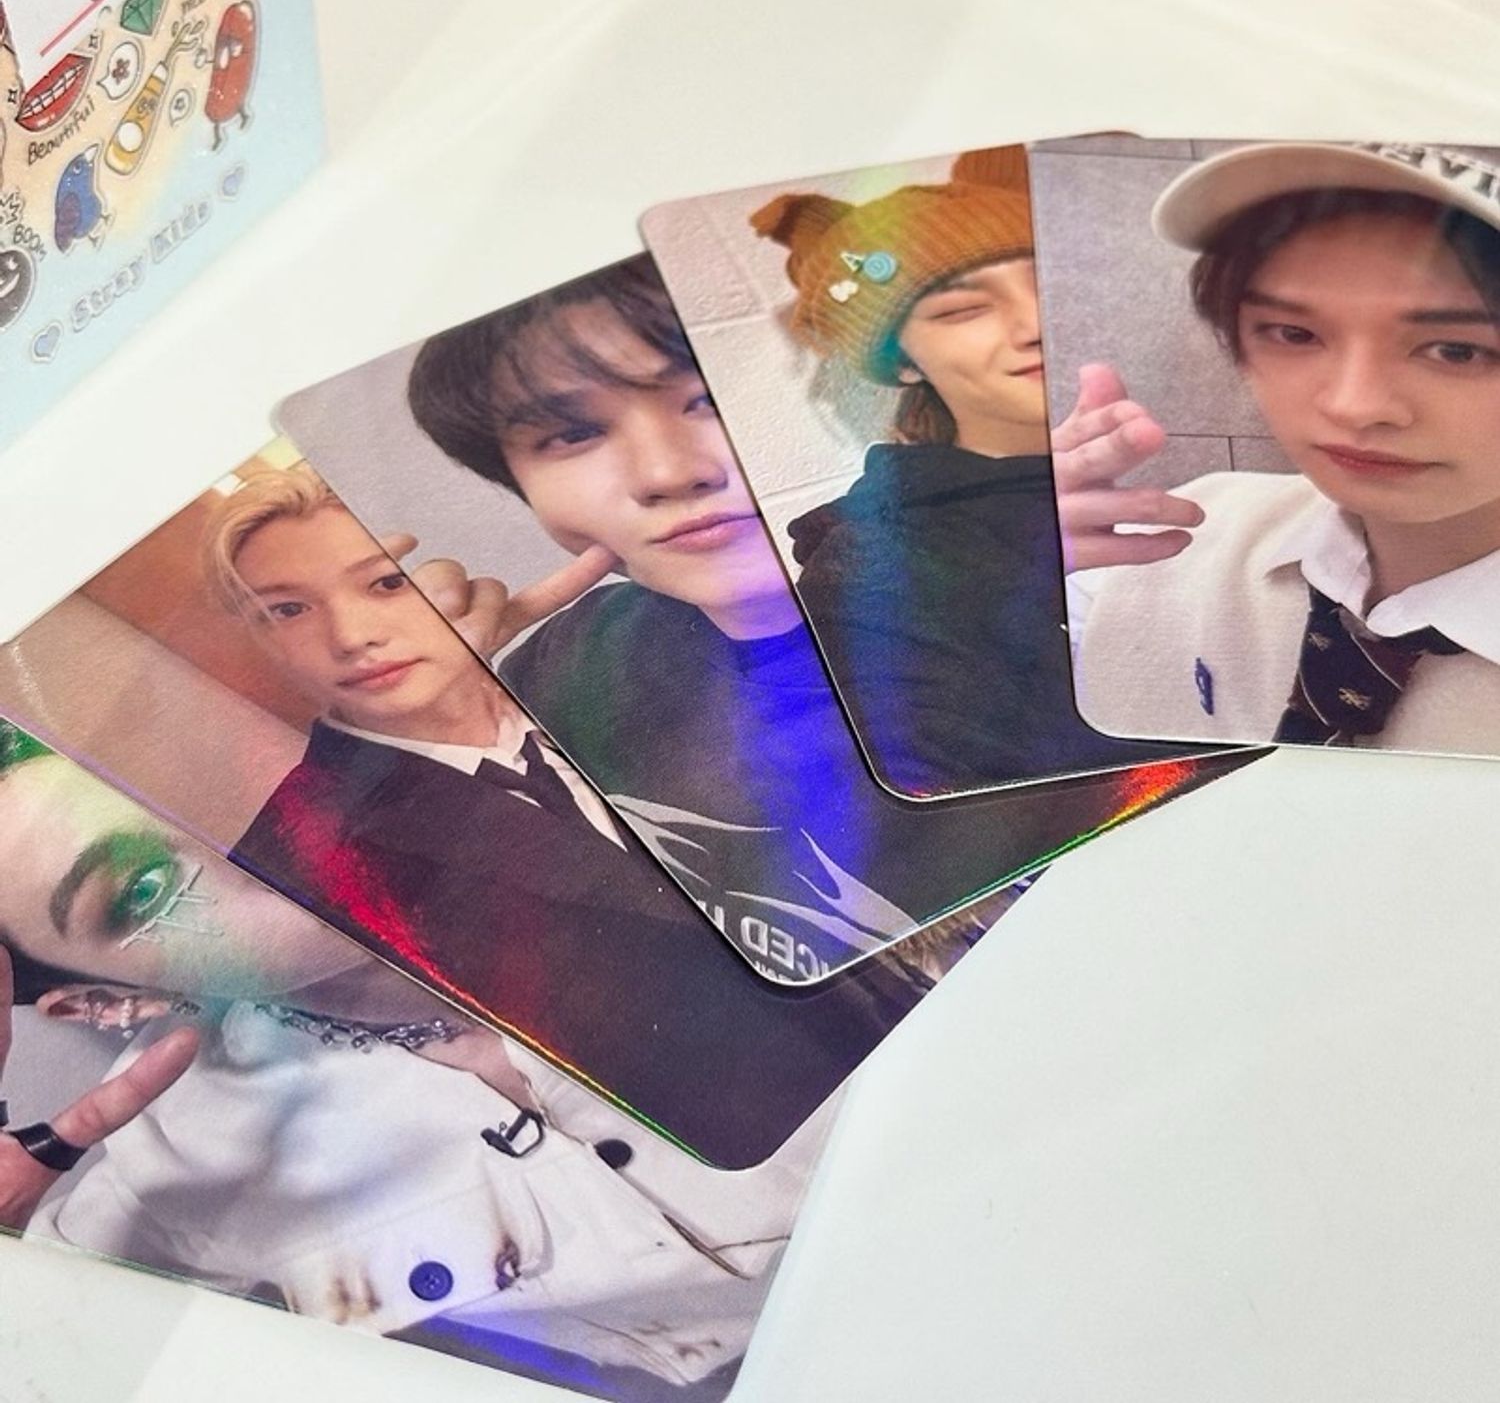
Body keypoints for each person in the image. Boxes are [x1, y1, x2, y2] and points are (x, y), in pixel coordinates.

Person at [400, 254, 1243, 973]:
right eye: (570, 435)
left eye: (705, 400)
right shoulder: (568, 666)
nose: (667, 472)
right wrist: (421, 729)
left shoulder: (1035, 595)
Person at [0, 719, 829, 1397]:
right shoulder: (175, 1165)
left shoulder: (590, 801)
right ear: (101, 1001)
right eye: (141, 890)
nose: (228, 839)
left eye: (193, 785)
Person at [204, 464, 999, 1167]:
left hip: (973, 1028)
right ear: (255, 639)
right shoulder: (299, 860)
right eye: (288, 610)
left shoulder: (610, 647)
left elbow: (881, 748)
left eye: (385, 583)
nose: (353, 636)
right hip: (800, 1173)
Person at [748, 146, 1202, 794]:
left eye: (1051, 285)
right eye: (963, 309)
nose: (1036, 323)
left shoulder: (1222, 460)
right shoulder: (879, 569)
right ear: (903, 361)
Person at [1054, 141, 1500, 753]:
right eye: (1295, 333)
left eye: (1457, 350)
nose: (1355, 405)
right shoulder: (1179, 535)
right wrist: (990, 562)